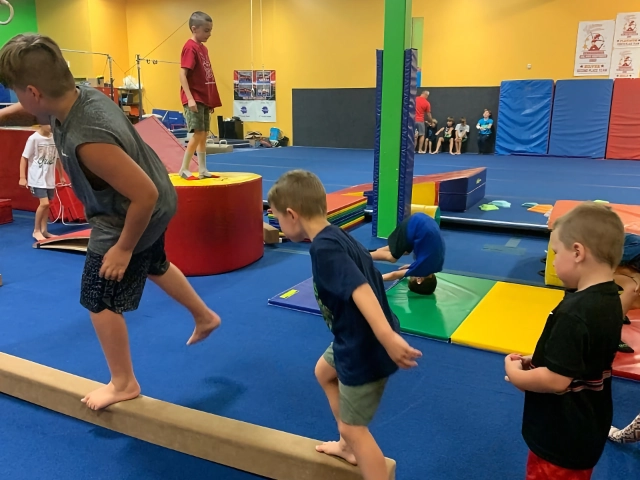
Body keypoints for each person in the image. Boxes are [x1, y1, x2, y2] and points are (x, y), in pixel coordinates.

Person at [0, 34, 221, 410]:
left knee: (98, 297)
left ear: (34, 91)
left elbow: (144, 196)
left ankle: (123, 382)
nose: (20, 101)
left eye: (18, 93)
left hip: (130, 211)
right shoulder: (75, 94)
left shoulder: (89, 139)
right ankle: (205, 316)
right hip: (152, 198)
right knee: (154, 263)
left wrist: (122, 249)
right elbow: (34, 110)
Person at [267, 170, 422, 480]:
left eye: (277, 219)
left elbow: (360, 289)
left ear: (292, 215)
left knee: (355, 427)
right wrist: (389, 269)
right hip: (354, 338)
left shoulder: (323, 249)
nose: (277, 227)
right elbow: (365, 266)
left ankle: (352, 441)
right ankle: (345, 445)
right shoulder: (336, 235)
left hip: (363, 346)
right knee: (324, 372)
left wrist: (386, 337)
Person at [504, 202, 625, 480]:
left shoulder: (575, 311)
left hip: (561, 435)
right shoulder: (610, 299)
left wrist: (517, 375)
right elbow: (578, 358)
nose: (554, 261)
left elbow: (556, 380)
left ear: (578, 252)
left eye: (556, 253)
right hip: (587, 424)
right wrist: (536, 362)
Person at [178, 11, 222, 180]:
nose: (209, 34)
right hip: (194, 97)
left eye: (210, 30)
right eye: (206, 30)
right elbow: (182, 75)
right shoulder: (190, 48)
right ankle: (183, 168)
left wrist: (210, 100)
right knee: (198, 133)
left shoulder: (203, 48)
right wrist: (190, 98)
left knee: (204, 134)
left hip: (203, 97)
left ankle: (202, 168)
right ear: (194, 29)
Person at [370, 212, 445, 295]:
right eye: (411, 277)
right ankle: (364, 255)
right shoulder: (421, 271)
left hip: (424, 221)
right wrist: (377, 278)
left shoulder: (437, 266)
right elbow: (394, 275)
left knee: (404, 251)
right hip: (413, 226)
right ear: (419, 280)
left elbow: (427, 257)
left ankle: (373, 252)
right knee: (392, 258)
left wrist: (411, 267)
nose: (411, 275)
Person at [19, 123, 65, 241]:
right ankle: (36, 230)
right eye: (48, 123)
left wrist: (61, 175)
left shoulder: (54, 138)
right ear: (41, 123)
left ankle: (44, 230)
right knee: (44, 204)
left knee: (47, 205)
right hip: (36, 178)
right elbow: (24, 157)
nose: (51, 126)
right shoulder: (34, 138)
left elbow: (57, 158)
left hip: (49, 178)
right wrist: (22, 177)